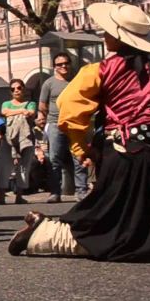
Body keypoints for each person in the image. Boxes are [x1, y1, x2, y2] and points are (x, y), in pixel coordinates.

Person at [9, 2, 150, 261]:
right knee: (142, 232)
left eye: (109, 32)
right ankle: (44, 234)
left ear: (120, 37)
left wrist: (81, 148)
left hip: (119, 154)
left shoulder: (98, 71)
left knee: (127, 225)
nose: (104, 35)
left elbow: (69, 106)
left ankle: (44, 231)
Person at [38, 51, 88, 202]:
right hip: (55, 124)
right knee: (54, 159)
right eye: (60, 64)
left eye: (66, 63)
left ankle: (82, 191)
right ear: (54, 67)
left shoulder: (76, 81)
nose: (63, 66)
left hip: (75, 123)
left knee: (79, 157)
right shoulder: (49, 83)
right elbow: (42, 105)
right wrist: (42, 118)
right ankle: (55, 193)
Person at [0, 79, 37, 205]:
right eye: (13, 89)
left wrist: (22, 112)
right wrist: (22, 111)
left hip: (26, 138)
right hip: (9, 138)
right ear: (10, 92)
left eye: (19, 88)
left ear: (23, 89)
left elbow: (32, 113)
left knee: (23, 167)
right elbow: (4, 112)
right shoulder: (6, 103)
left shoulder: (30, 103)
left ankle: (19, 196)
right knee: (5, 166)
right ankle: (1, 196)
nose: (16, 90)